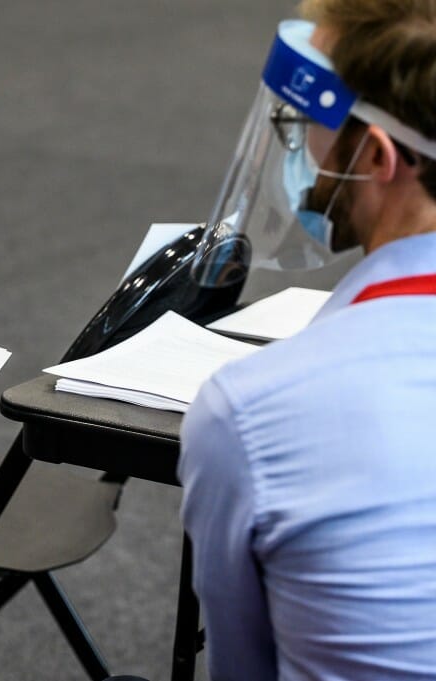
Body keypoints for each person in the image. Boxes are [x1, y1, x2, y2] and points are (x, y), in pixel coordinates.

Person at [179, 1, 436, 679]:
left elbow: (244, 667)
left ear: (379, 156)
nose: (302, 149)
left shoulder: (248, 409)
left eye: (312, 127)